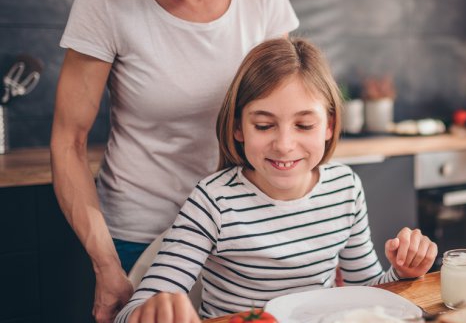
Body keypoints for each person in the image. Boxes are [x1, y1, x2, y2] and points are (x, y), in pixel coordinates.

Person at [49, 0, 299, 321]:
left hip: (239, 231)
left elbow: (287, 115)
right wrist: (106, 265)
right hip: (137, 235)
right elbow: (68, 142)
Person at [114, 37, 438, 322]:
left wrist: (402, 273)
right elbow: (131, 311)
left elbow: (364, 294)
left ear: (329, 125)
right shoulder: (214, 201)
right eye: (264, 125)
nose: (284, 144)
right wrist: (153, 311)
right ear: (238, 127)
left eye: (304, 125)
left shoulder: (344, 188)